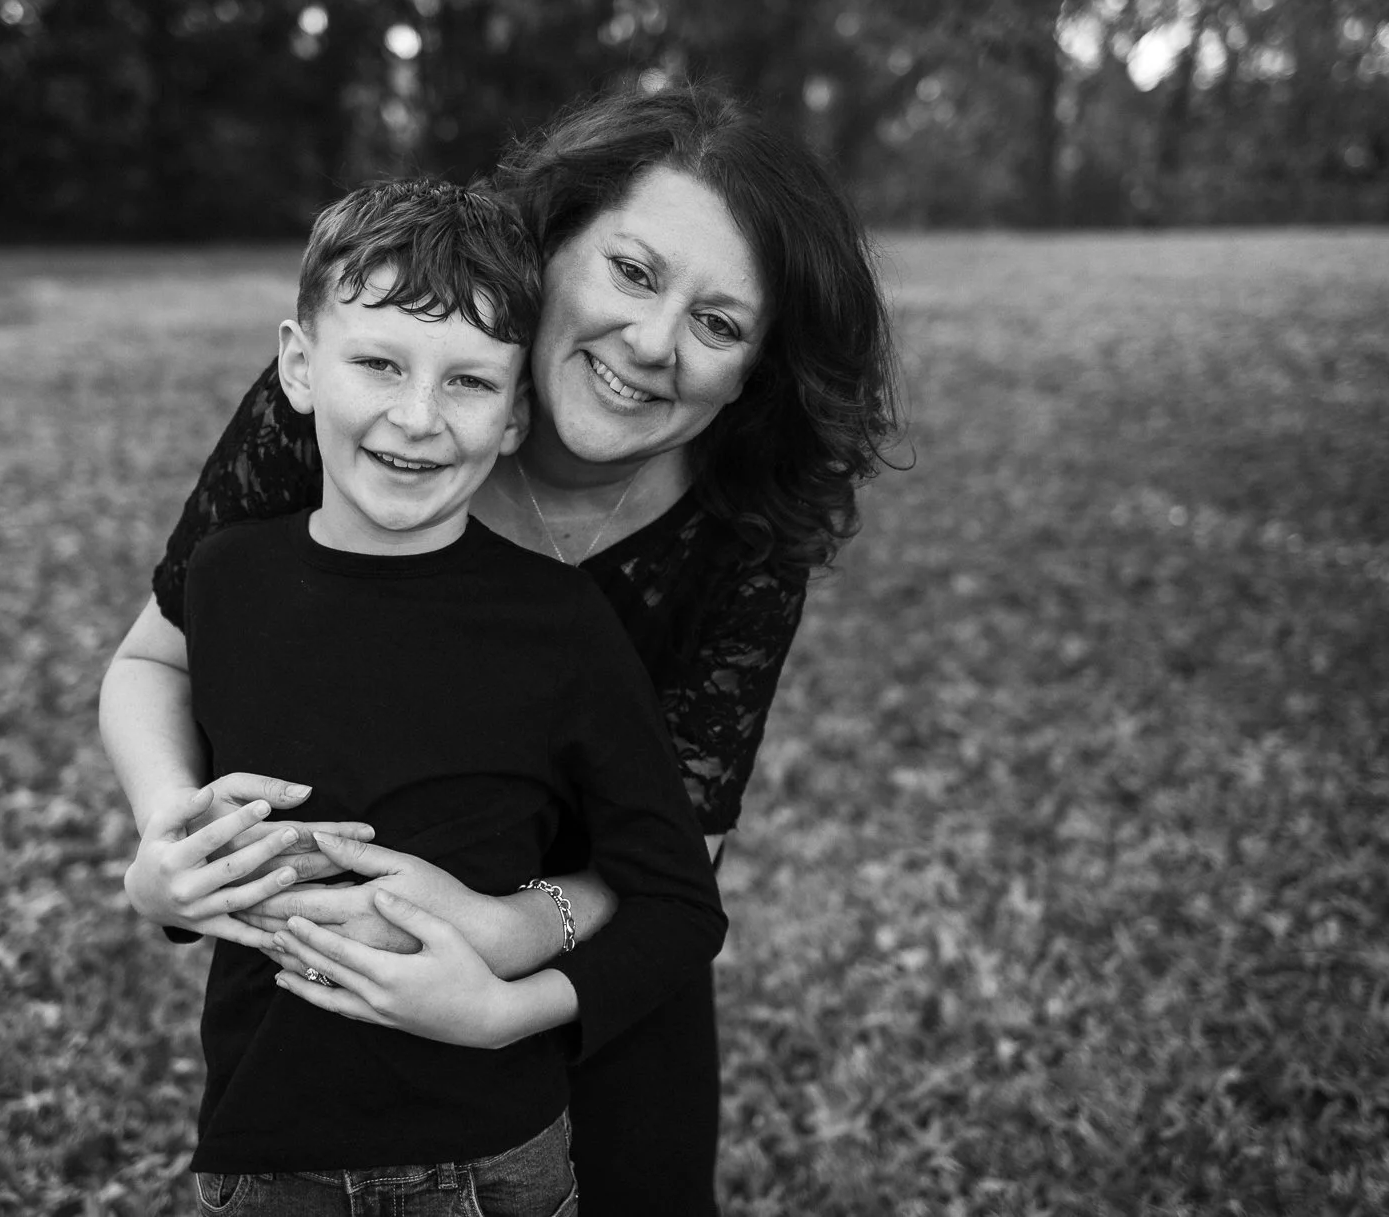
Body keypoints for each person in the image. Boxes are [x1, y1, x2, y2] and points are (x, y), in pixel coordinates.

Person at [102, 81, 899, 1216]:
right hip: (329, 1023)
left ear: (754, 369)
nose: (653, 344)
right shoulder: (359, 403)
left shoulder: (743, 526)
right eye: (632, 272)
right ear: (551, 244)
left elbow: (678, 861)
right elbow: (161, 655)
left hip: (593, 967)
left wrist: (496, 936)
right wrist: (171, 838)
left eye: (718, 325)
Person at [155, 176, 726, 1214]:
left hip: (492, 1159)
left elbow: (678, 900)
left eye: (467, 382)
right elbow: (186, 803)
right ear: (298, 365)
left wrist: (508, 997)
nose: (416, 418)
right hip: (264, 1149)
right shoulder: (228, 581)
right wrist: (159, 879)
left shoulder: (560, 626)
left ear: (514, 417)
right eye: (379, 363)